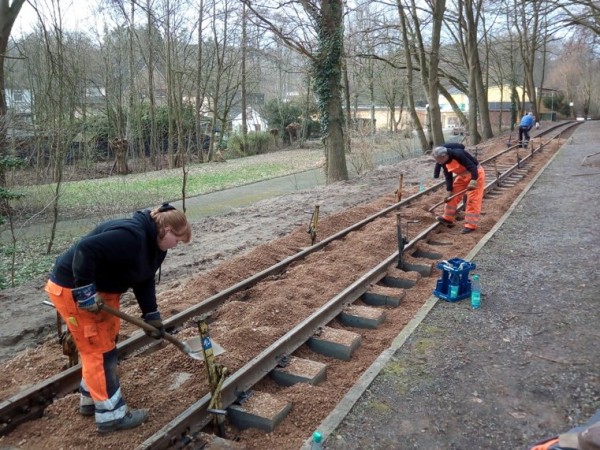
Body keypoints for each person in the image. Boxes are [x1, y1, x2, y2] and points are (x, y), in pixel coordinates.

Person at [44, 203, 192, 433]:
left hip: (104, 291)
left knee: (105, 343)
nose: (177, 245)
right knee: (99, 351)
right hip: (72, 290)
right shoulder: (131, 236)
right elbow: (85, 250)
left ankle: (92, 400)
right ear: (166, 230)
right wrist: (85, 292)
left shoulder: (156, 247)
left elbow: (144, 280)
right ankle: (112, 416)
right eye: (178, 240)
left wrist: (151, 315)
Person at [431, 143, 486, 234]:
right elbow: (448, 176)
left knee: (472, 200)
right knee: (452, 197)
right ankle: (447, 218)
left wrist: (473, 180)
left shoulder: (459, 154)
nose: (438, 163)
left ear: (444, 156)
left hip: (476, 175)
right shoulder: (443, 162)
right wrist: (449, 190)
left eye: (438, 160)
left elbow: (473, 167)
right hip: (463, 176)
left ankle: (471, 225)